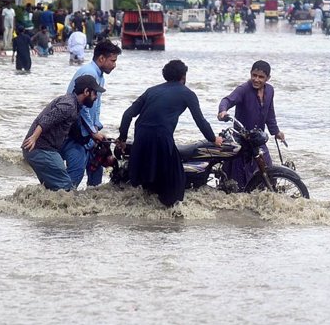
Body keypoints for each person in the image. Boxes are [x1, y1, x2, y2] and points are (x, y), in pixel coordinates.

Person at [116, 60, 223, 207]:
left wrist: (122, 138)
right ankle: (172, 215)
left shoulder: (151, 90)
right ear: (183, 76)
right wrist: (213, 138)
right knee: (177, 180)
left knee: (151, 178)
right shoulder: (187, 93)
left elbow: (128, 114)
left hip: (140, 137)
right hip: (161, 138)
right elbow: (200, 121)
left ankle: (145, 212)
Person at [22, 75, 104, 192]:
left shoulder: (74, 105)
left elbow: (77, 134)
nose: (96, 97)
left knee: (51, 191)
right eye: (95, 93)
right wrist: (34, 138)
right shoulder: (69, 105)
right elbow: (47, 119)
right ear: (86, 92)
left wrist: (93, 137)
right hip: (40, 149)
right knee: (66, 190)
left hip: (40, 150)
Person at [61, 40, 122, 188]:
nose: (114, 65)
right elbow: (82, 107)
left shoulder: (99, 75)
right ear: (101, 58)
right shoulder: (89, 73)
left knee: (96, 173)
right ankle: (61, 204)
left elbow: (96, 107)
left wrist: (96, 130)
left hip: (88, 134)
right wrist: (93, 131)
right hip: (75, 134)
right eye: (112, 61)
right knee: (76, 173)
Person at [217, 60, 285, 191]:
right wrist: (222, 111)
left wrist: (276, 132)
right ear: (250, 74)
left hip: (257, 139)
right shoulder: (243, 90)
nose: (256, 79)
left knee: (268, 173)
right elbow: (227, 100)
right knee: (239, 181)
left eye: (261, 77)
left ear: (268, 78)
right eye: (254, 75)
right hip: (241, 139)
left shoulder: (270, 91)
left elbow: (270, 113)